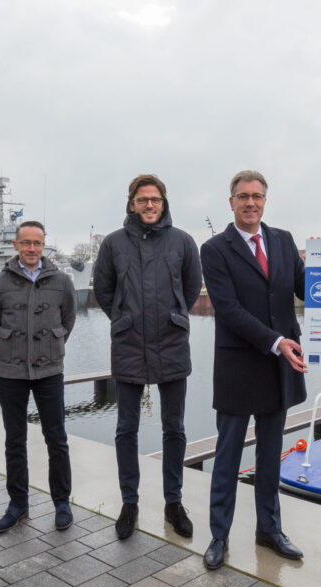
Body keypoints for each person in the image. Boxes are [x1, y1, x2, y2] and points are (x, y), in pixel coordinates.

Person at [199, 170, 307, 570]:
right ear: (231, 202)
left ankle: (269, 530)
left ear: (265, 200)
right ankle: (219, 536)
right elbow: (228, 310)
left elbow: (307, 286)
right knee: (227, 455)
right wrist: (276, 342)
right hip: (240, 364)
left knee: (269, 455)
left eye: (257, 196)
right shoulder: (214, 249)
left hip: (278, 368)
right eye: (242, 196)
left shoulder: (283, 241)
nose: (250, 203)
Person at [93, 174, 202, 540]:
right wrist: (126, 319)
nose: (149, 205)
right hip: (128, 345)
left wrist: (171, 318)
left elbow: (189, 291)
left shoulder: (183, 242)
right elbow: (104, 291)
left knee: (175, 428)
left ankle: (174, 502)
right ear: (131, 204)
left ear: (164, 202)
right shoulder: (112, 244)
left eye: (155, 199)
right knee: (126, 429)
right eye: (143, 200)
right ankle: (130, 501)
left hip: (171, 344)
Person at [0, 220, 77, 533]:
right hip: (11, 372)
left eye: (37, 243)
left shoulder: (62, 281)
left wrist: (49, 346)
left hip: (49, 370)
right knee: (15, 440)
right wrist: (15, 349)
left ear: (44, 245)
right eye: (26, 243)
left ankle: (62, 501)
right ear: (16, 246)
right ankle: (18, 504)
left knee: (57, 438)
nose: (32, 249)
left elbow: (68, 321)